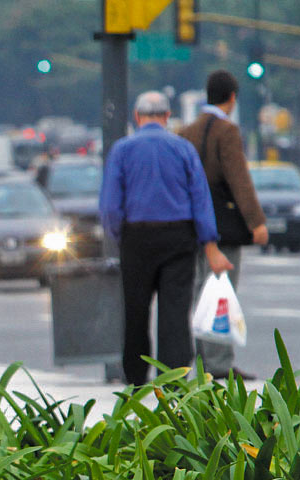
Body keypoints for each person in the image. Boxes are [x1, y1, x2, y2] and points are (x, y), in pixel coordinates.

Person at [99, 91, 234, 386]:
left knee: (135, 310)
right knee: (174, 311)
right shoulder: (183, 149)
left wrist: (119, 235)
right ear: (167, 116)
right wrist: (207, 240)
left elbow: (110, 205)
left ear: (137, 117)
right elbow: (200, 199)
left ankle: (135, 377)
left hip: (136, 237)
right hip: (178, 236)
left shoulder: (122, 150)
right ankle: (172, 379)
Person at [178, 70, 269, 382]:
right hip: (222, 225)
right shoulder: (227, 131)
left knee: (199, 292)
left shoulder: (186, 131)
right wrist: (256, 222)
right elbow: (239, 179)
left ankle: (202, 358)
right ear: (232, 97)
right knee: (221, 291)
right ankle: (219, 362)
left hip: (191, 224)